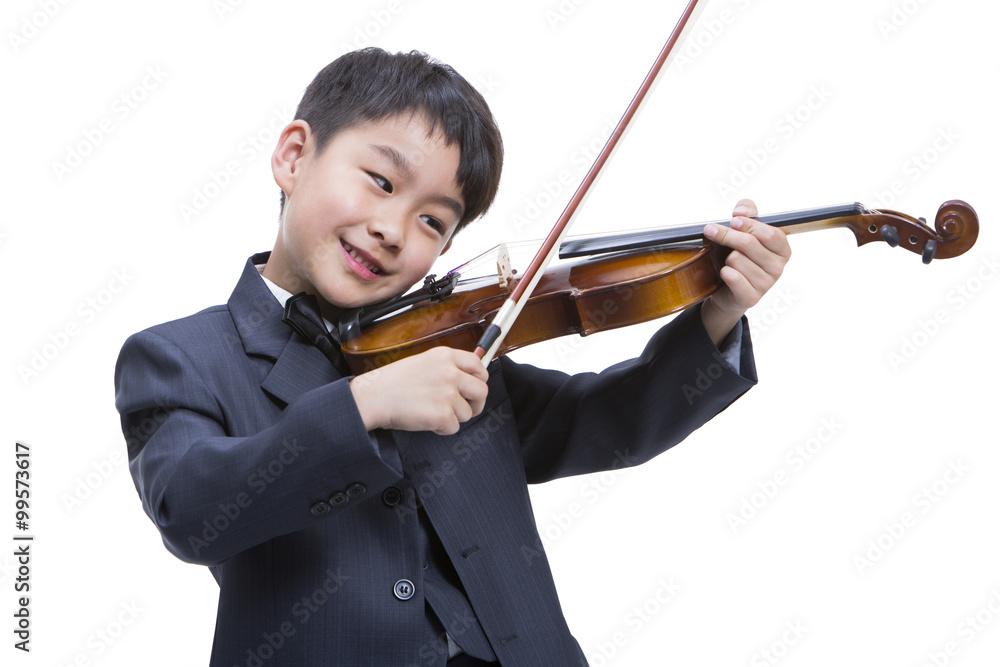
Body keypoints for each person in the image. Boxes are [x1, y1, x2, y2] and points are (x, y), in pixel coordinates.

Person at [115, 48, 790, 666]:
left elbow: (606, 421)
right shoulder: (179, 356)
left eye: (433, 221)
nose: (392, 230)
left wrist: (718, 311)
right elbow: (193, 509)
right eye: (381, 181)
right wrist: (366, 403)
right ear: (294, 155)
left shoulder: (452, 351)